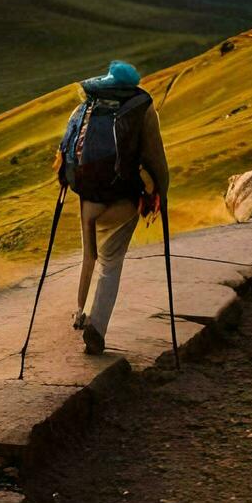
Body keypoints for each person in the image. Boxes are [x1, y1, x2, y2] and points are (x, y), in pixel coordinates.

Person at [55, 60, 170, 355]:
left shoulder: (87, 106)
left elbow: (68, 150)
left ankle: (80, 311)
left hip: (88, 199)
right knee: (111, 262)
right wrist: (162, 193)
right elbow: (155, 158)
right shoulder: (141, 107)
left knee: (88, 256)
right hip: (123, 199)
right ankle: (97, 327)